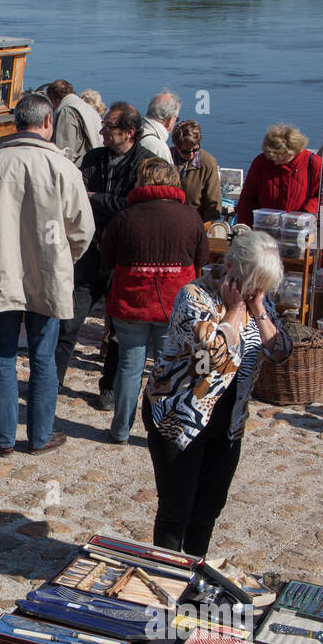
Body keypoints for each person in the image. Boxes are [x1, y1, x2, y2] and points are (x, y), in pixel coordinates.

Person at [0, 93, 94, 455]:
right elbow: (82, 230)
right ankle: (40, 436)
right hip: (47, 275)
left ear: (16, 123)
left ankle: (3, 438)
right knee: (43, 358)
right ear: (48, 123)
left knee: (2, 356)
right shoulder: (64, 168)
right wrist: (62, 258)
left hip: (0, 274)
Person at [143, 231, 292, 556]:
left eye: (262, 286)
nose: (258, 291)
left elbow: (280, 351)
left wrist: (259, 309)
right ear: (230, 266)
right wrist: (235, 310)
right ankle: (166, 584)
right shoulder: (194, 297)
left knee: (208, 510)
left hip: (228, 423)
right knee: (176, 511)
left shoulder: (257, 300)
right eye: (253, 282)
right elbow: (210, 358)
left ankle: (194, 581)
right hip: (179, 416)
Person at [101, 157, 210, 444]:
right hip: (174, 305)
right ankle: (166, 430)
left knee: (129, 368)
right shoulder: (190, 217)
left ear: (143, 182)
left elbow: (107, 258)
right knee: (170, 371)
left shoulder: (125, 216)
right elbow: (202, 259)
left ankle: (121, 430)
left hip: (131, 303)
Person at [54, 101, 150, 409]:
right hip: (90, 255)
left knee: (120, 330)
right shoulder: (94, 158)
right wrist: (104, 201)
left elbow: (136, 207)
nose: (101, 131)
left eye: (108, 127)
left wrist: (99, 199)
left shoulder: (145, 165)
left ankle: (108, 388)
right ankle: (51, 381)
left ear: (129, 132)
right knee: (68, 320)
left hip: (123, 259)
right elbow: (75, 196)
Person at [235, 124, 323, 224]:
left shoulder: (314, 163)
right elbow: (247, 199)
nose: (275, 161)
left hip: (301, 228)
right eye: (271, 157)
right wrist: (245, 226)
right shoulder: (261, 162)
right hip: (265, 227)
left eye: (279, 157)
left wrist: (304, 213)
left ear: (292, 151)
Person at [170, 119, 222, 223]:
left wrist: (204, 228)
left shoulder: (208, 163)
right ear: (176, 146)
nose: (191, 154)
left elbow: (213, 203)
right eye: (185, 151)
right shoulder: (166, 157)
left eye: (195, 150)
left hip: (195, 224)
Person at [45, 79, 102, 167]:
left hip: (79, 169)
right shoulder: (86, 107)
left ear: (54, 100)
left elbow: (64, 151)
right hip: (94, 163)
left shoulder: (66, 112)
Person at [137, 91, 179, 164]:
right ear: (170, 120)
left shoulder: (132, 132)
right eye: (176, 119)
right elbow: (167, 175)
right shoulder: (159, 149)